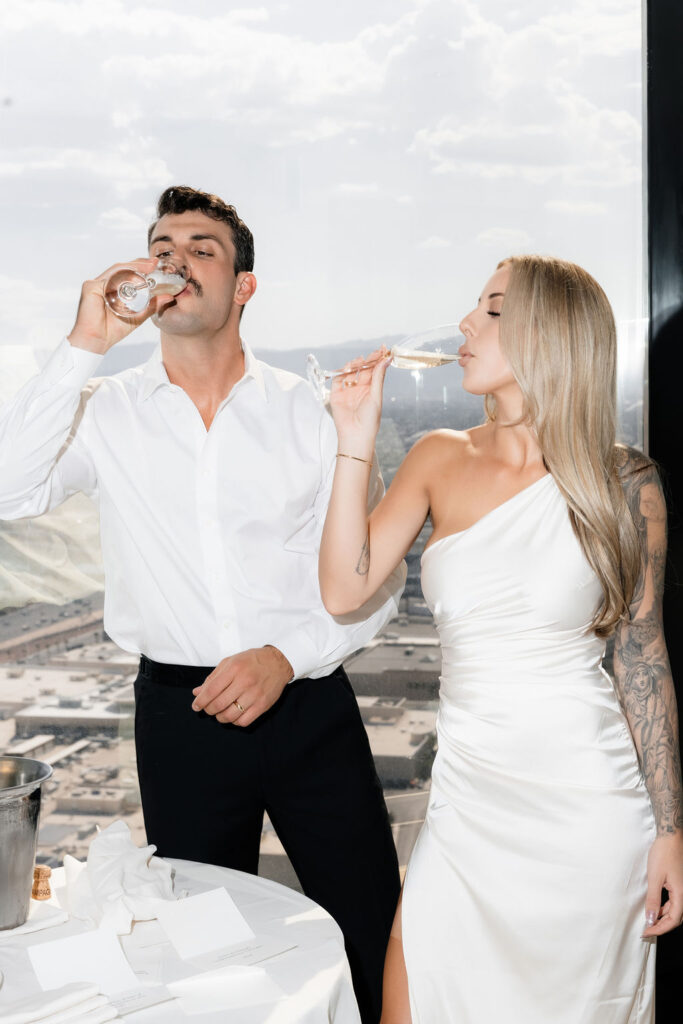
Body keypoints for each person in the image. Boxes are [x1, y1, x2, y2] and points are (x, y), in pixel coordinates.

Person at [0, 185, 405, 1024]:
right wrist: (86, 342)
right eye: (160, 247)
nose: (173, 260)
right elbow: (10, 489)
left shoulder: (309, 410)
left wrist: (282, 659)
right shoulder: (104, 411)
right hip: (178, 716)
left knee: (370, 929)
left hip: (309, 705)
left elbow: (376, 584)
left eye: (201, 248)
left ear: (244, 286)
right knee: (198, 955)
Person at [318, 254, 683, 1023]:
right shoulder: (436, 457)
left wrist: (670, 833)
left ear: (549, 333)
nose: (462, 324)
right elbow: (343, 590)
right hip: (467, 801)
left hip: (590, 811)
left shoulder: (625, 483)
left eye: (489, 309)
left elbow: (642, 660)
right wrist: (355, 437)